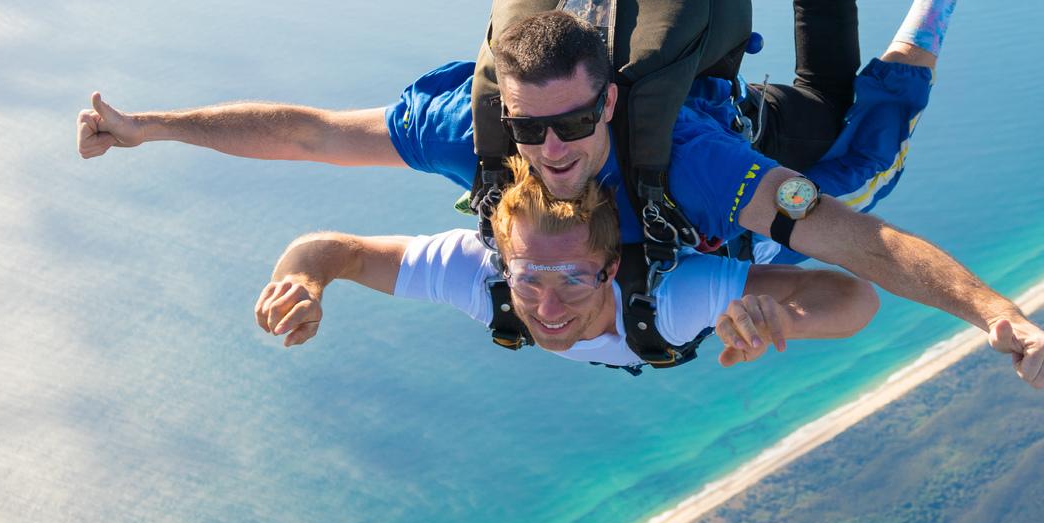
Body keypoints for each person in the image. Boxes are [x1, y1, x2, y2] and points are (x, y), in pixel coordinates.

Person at [79, 0, 1044, 390]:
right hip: (708, 136)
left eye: (571, 125)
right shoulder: (487, 152)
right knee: (822, 120)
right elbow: (305, 139)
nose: (550, 149)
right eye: (529, 128)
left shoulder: (676, 171)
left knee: (858, 152)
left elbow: (859, 251)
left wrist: (994, 316)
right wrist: (146, 129)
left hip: (716, 143)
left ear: (607, 105)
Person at [254, 157, 881, 371]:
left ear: (610, 270)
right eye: (528, 278)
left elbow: (854, 297)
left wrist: (781, 316)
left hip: (764, 230)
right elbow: (335, 251)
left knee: (871, 160)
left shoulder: (674, 299)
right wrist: (302, 282)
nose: (547, 311)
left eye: (574, 279)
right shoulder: (480, 274)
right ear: (503, 262)